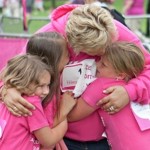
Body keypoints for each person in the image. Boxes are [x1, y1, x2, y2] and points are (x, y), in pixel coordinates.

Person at [1, 4, 150, 150]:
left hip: (107, 139)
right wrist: (6, 90)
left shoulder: (112, 30)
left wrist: (130, 91)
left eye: (108, 46)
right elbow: (12, 74)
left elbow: (147, 67)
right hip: (62, 139)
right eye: (98, 52)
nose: (101, 57)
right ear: (73, 46)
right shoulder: (47, 40)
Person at [66, 42, 150, 150]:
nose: (97, 64)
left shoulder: (102, 86)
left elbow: (71, 116)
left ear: (120, 75)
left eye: (103, 64)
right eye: (100, 59)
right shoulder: (134, 85)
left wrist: (64, 102)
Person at [0, 54, 71, 150]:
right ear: (24, 81)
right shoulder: (31, 103)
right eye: (41, 86)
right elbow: (48, 140)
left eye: (48, 85)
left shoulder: (4, 98)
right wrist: (63, 122)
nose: (46, 91)